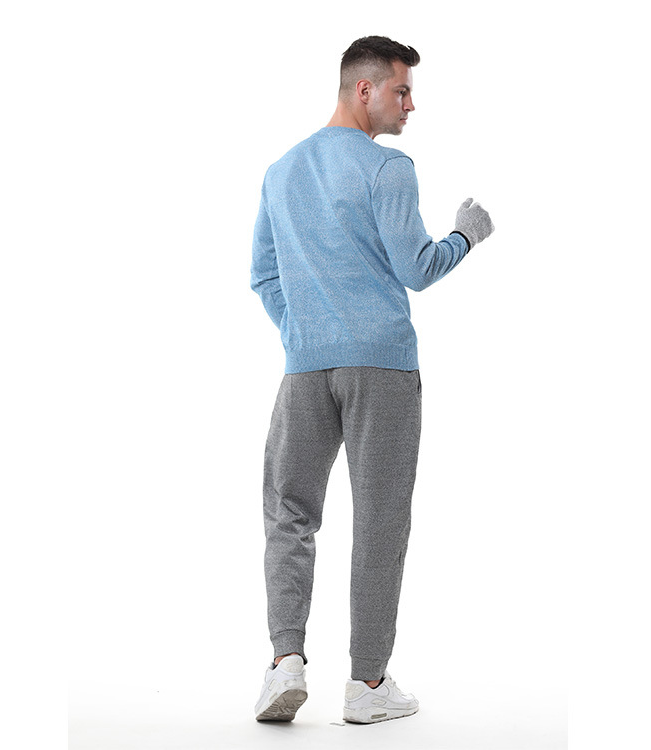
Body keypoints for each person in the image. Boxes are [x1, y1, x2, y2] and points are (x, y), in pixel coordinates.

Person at [250, 35, 494, 724]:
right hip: (381, 368)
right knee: (380, 520)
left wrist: (306, 331)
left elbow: (263, 275)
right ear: (365, 89)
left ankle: (285, 662)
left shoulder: (281, 171)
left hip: (305, 369)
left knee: (290, 511)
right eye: (402, 90)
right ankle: (367, 684)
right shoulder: (389, 168)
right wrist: (467, 234)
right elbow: (417, 268)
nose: (411, 105)